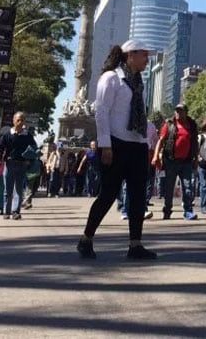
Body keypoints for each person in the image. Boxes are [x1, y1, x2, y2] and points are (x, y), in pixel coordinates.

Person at [77, 40, 157, 261]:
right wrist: (105, 145)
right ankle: (86, 239)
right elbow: (101, 112)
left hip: (137, 144)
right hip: (116, 144)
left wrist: (146, 144)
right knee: (108, 195)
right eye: (144, 55)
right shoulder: (111, 78)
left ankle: (135, 244)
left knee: (138, 197)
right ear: (130, 55)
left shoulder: (138, 81)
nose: (147, 60)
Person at [154, 104, 199, 221]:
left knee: (188, 186)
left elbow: (194, 143)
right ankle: (167, 210)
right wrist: (156, 156)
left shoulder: (192, 125)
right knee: (169, 187)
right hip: (171, 161)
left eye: (181, 111)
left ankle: (188, 211)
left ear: (186, 112)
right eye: (177, 111)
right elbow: (161, 141)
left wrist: (196, 159)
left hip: (186, 162)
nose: (178, 113)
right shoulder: (169, 124)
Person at [0, 112, 36, 221]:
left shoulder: (27, 136)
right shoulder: (8, 134)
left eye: (22, 120)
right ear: (14, 121)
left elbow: (34, 148)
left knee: (18, 190)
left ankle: (16, 212)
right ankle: (6, 212)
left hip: (22, 165)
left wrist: (30, 160)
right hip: (9, 164)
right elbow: (0, 147)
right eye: (18, 120)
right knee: (7, 190)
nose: (20, 122)